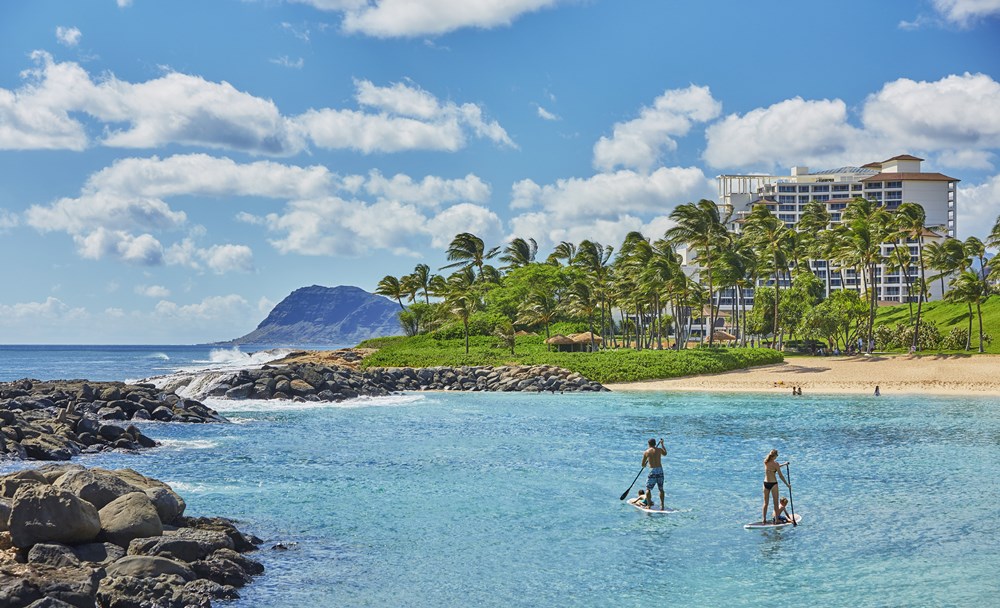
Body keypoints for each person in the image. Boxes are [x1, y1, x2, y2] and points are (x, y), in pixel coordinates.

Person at [762, 449, 790, 524]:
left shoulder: (766, 462)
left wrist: (784, 464)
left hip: (765, 483)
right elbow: (780, 476)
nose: (777, 457)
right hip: (773, 483)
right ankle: (777, 520)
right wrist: (787, 485)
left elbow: (774, 467)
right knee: (775, 503)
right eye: (777, 455)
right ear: (774, 456)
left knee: (765, 503)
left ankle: (764, 519)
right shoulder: (776, 464)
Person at [642, 438, 667, 510]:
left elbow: (643, 464)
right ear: (655, 443)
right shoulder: (659, 450)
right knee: (661, 489)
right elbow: (665, 453)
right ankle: (662, 505)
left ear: (648, 444)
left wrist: (645, 463)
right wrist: (662, 444)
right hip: (660, 470)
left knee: (648, 489)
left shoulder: (646, 452)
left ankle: (648, 505)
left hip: (653, 470)